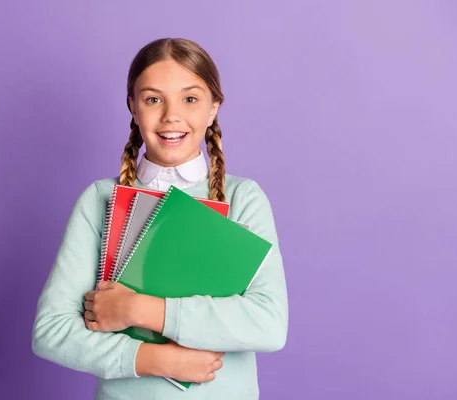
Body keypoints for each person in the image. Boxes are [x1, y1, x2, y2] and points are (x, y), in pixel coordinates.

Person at [32, 37, 288, 399]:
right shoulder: (99, 199)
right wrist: (153, 359)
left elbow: (269, 325)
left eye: (190, 98)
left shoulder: (243, 198)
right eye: (153, 99)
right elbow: (52, 332)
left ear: (213, 108)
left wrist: (140, 309)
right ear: (133, 107)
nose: (171, 115)